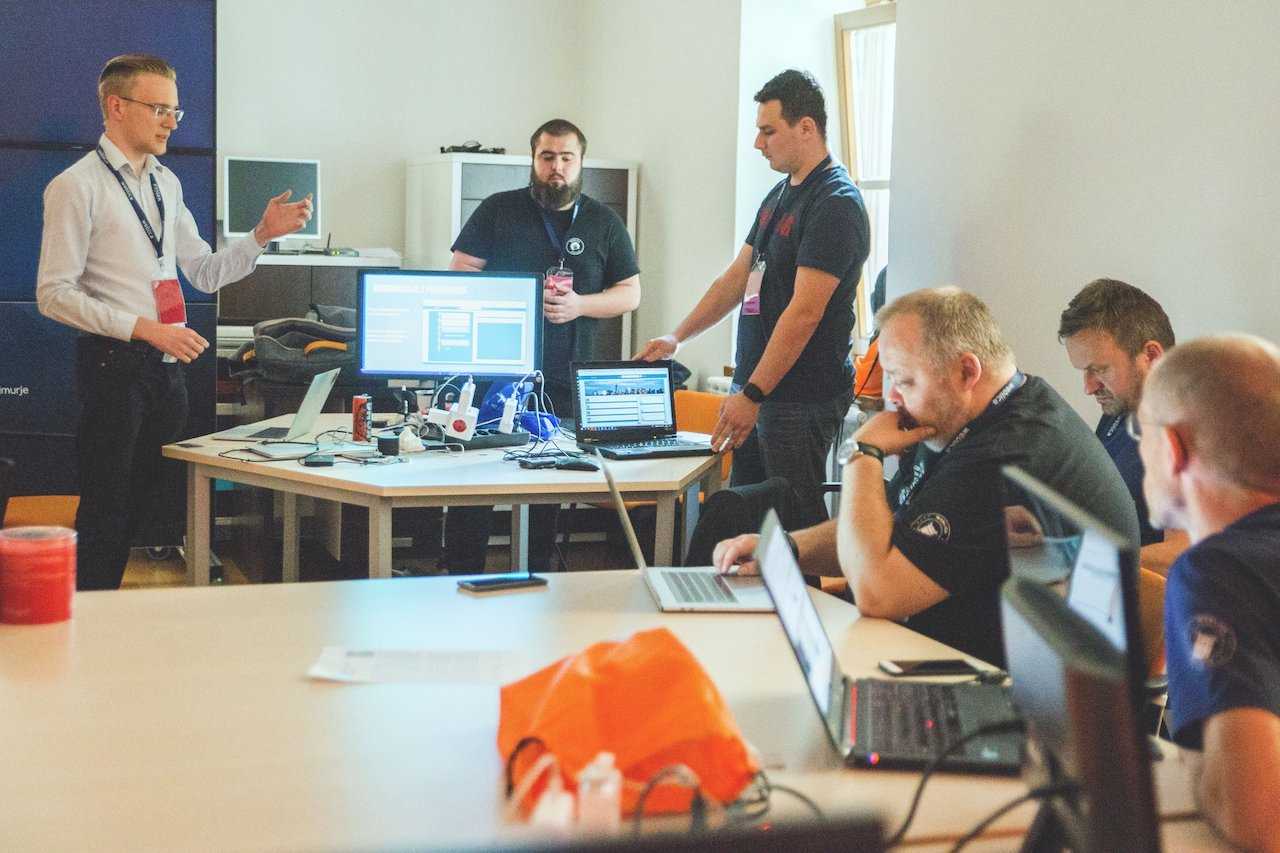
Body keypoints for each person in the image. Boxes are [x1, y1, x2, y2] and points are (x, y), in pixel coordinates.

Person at [713, 288, 1136, 665]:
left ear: (967, 372)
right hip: (947, 657)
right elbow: (888, 531)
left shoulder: (1012, 453)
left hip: (1013, 697)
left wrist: (861, 454)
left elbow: (879, 594)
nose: (892, 398)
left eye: (905, 380)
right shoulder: (962, 418)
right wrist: (787, 549)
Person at [36, 54, 313, 591]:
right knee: (107, 507)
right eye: (158, 109)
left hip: (166, 365)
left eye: (174, 112)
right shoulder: (77, 186)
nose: (170, 122)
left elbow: (204, 273)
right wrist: (143, 327)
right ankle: (88, 616)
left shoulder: (167, 183)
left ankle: (111, 607)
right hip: (114, 363)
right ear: (117, 107)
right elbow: (53, 295)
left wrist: (260, 235)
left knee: (148, 503)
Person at [636, 69, 868, 530]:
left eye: (768, 131)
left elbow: (804, 314)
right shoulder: (780, 193)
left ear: (807, 127)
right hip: (758, 389)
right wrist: (678, 337)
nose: (759, 144)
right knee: (747, 521)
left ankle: (812, 585)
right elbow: (737, 278)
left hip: (798, 397)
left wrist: (754, 393)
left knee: (793, 526)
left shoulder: (835, 203)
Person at [443, 118, 640, 572]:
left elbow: (630, 294)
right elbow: (460, 273)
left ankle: (538, 579)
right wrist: (514, 300)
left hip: (564, 380)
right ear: (533, 160)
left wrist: (580, 305)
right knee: (473, 481)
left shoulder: (604, 221)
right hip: (494, 373)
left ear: (581, 162)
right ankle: (458, 576)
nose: (557, 167)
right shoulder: (498, 209)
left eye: (566, 158)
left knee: (546, 487)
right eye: (547, 157)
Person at [1134, 334, 1280, 851]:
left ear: (1172, 448)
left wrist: (1200, 767)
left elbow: (1254, 815)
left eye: (1141, 433)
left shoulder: (1214, 572)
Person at [1058, 278, 1189, 574]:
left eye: (1099, 370)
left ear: (1151, 356)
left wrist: (1080, 563)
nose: (1089, 387)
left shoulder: (1186, 428)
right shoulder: (1121, 410)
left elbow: (1183, 553)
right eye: (1084, 372)